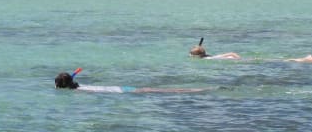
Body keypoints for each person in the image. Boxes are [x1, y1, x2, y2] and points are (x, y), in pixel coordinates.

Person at [54, 72, 206, 94]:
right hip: (120, 88)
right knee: (155, 90)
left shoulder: (78, 91)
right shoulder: (78, 85)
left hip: (122, 92)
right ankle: (195, 89)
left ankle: (196, 90)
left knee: (158, 91)